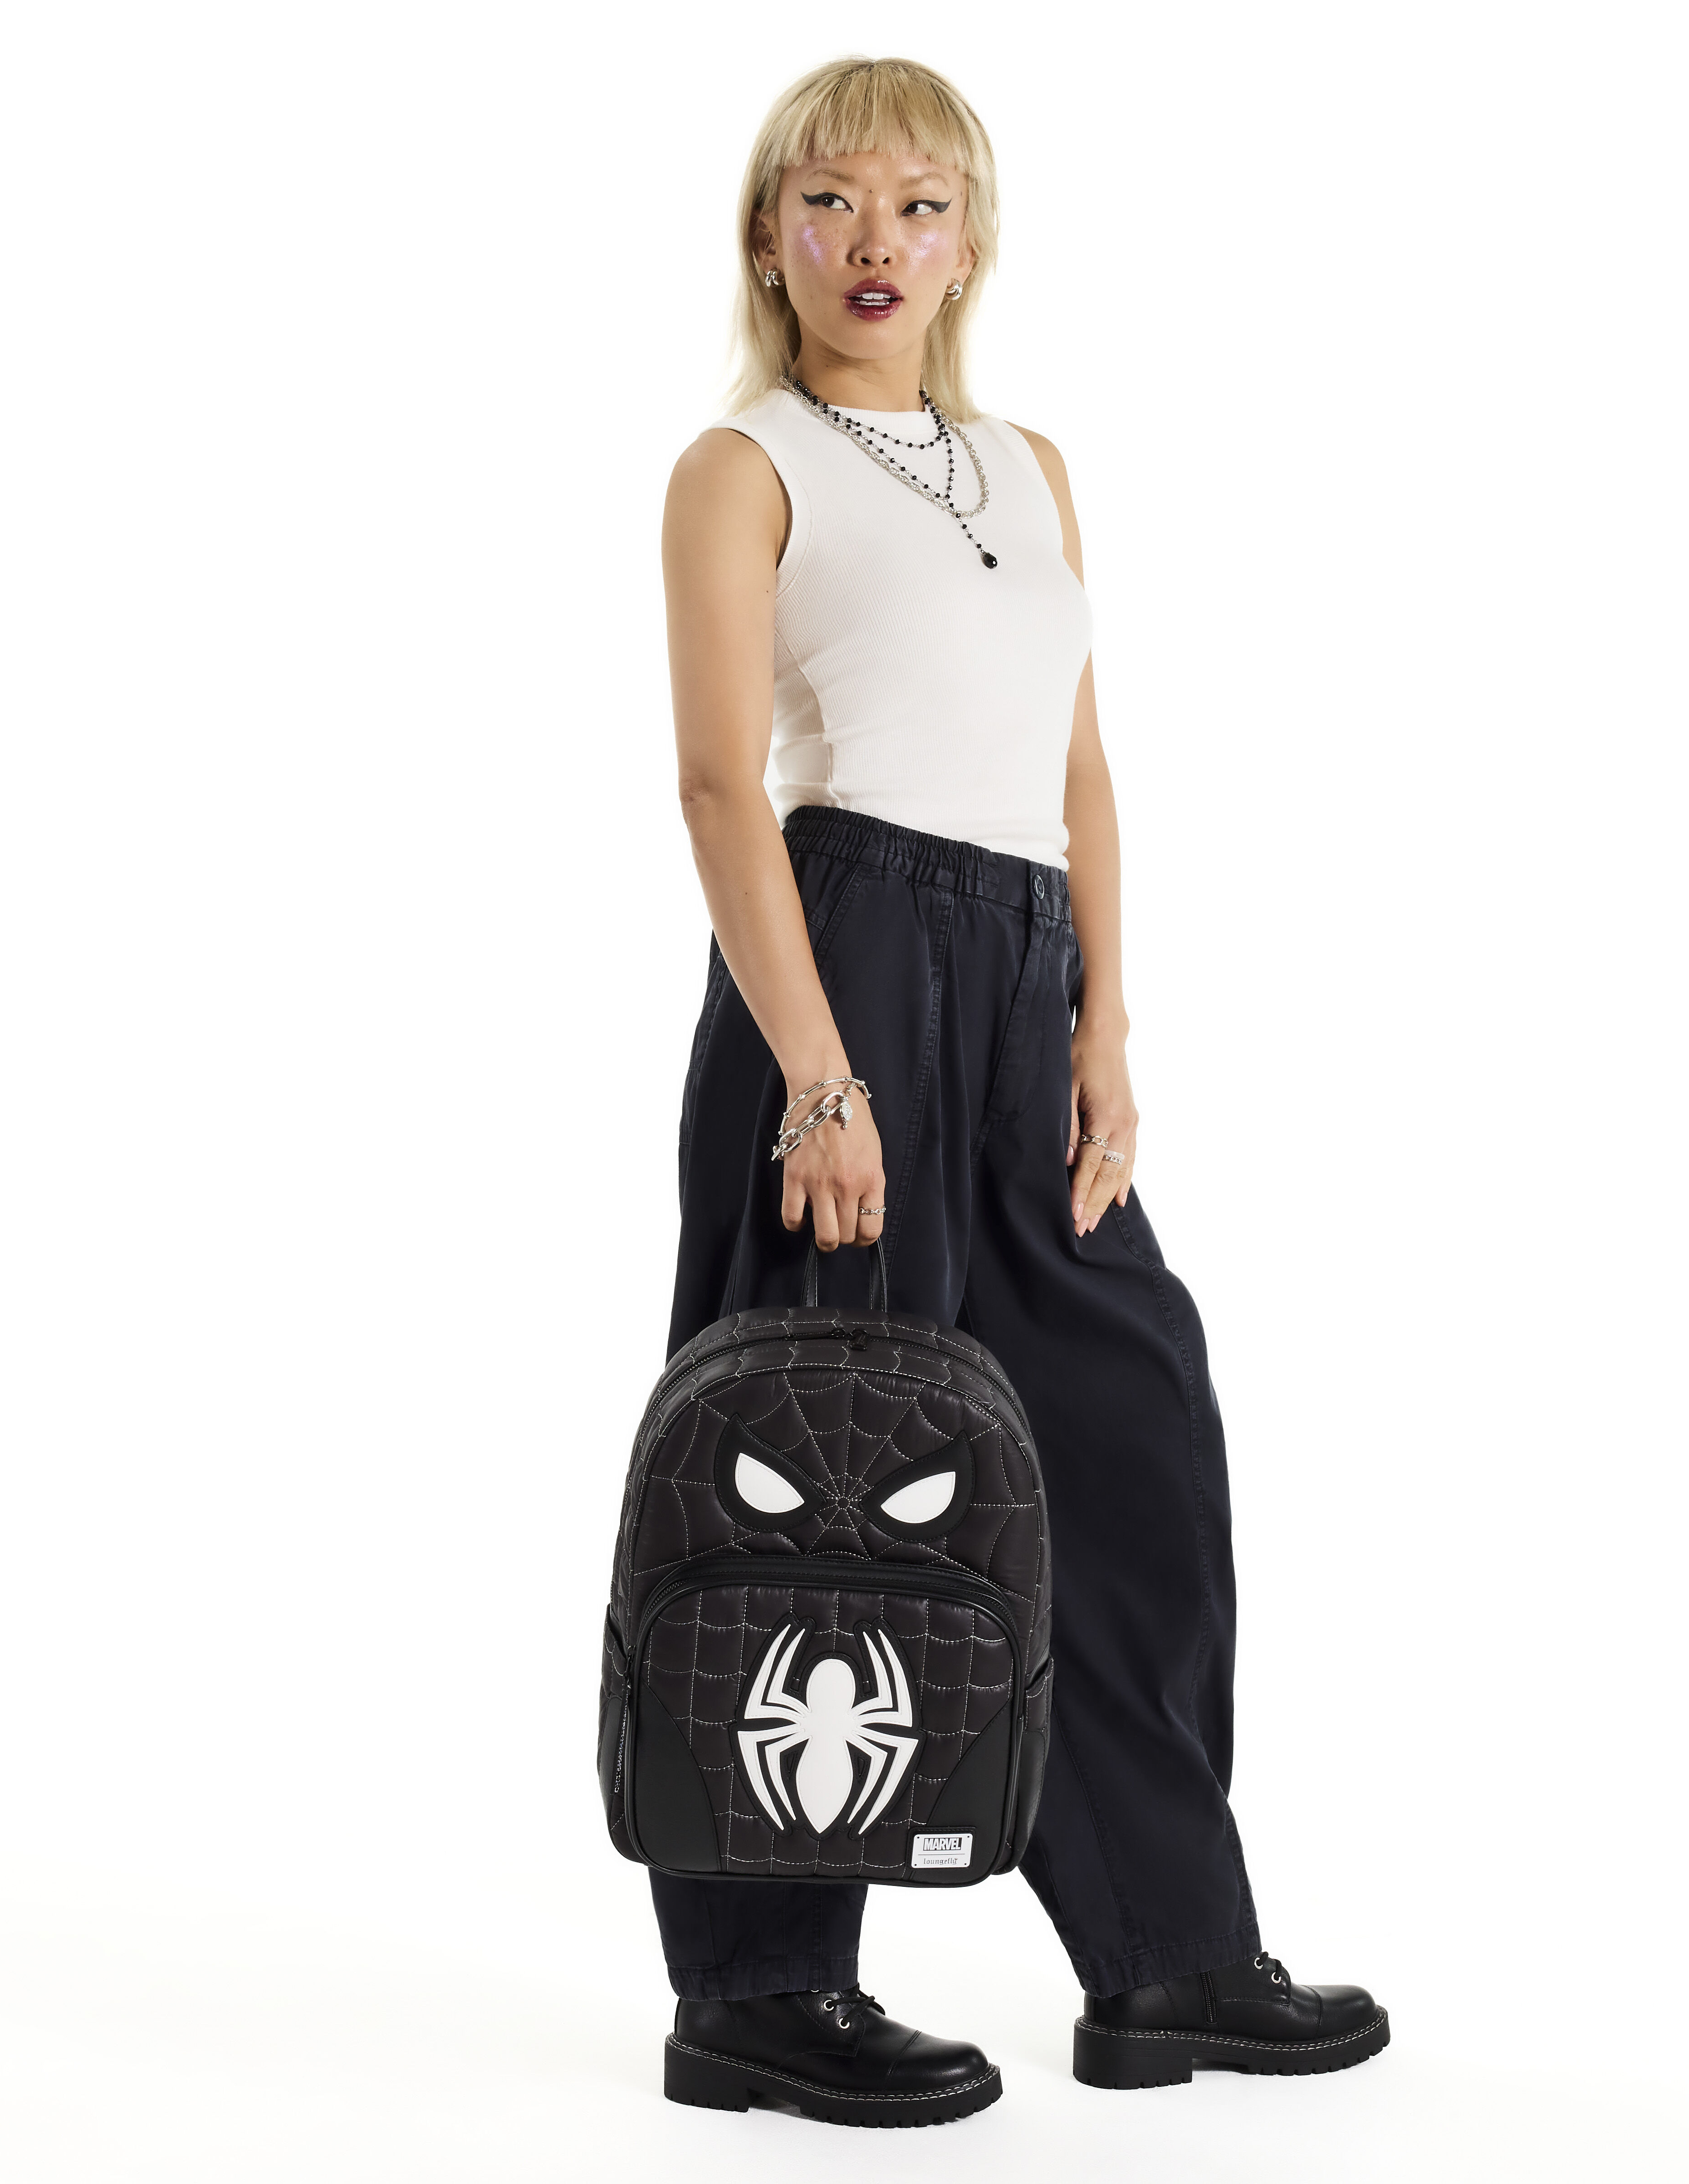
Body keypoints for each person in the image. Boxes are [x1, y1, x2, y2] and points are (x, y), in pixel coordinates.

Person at [652, 55, 1389, 2125]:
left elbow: (1081, 771)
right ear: (770, 236)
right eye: (827, 202)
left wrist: (1106, 1026)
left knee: (1128, 1439)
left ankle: (1169, 1955)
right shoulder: (741, 464)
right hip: (844, 958)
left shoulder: (1029, 465)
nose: (873, 241)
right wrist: (819, 1075)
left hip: (1024, 963)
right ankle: (760, 1991)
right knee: (812, 1458)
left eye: (916, 203)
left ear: (970, 240)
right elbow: (719, 785)